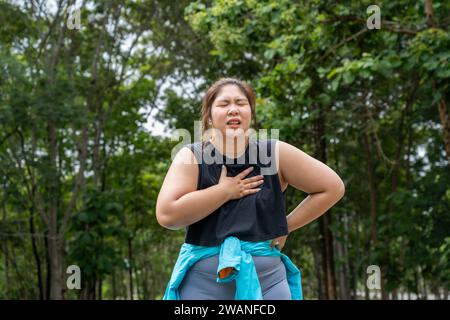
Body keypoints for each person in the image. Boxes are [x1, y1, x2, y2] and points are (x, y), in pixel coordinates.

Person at [156, 77, 345, 300]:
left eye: (241, 103)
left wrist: (285, 225)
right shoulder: (192, 156)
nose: (233, 110)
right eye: (224, 104)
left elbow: (332, 187)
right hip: (203, 287)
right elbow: (167, 215)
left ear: (250, 113)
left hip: (269, 285)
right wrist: (225, 191)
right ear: (208, 115)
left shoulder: (274, 153)